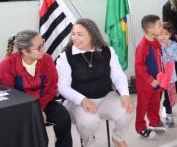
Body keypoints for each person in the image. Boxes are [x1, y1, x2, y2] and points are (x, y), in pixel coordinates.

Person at [56, 18, 134, 147]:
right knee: (89, 121)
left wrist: (125, 94)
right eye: (73, 34)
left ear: (92, 35)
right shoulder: (66, 56)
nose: (75, 38)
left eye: (80, 34)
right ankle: (88, 143)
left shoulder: (107, 51)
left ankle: (118, 138)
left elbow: (118, 75)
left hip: (105, 97)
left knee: (128, 110)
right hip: (77, 102)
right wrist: (82, 99)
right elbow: (62, 87)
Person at [0, 30, 72, 147]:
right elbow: (8, 96)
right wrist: (34, 112)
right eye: (39, 47)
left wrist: (39, 108)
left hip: (44, 102)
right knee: (38, 134)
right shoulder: (7, 64)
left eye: (43, 44)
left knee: (63, 118)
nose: (44, 50)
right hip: (19, 109)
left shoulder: (46, 59)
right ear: (25, 51)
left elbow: (51, 87)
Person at [135, 15, 166, 138]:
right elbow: (139, 66)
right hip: (146, 85)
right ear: (150, 29)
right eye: (159, 25)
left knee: (155, 103)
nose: (161, 26)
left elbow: (160, 60)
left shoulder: (156, 42)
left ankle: (154, 122)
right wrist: (150, 80)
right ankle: (141, 128)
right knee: (142, 107)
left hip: (157, 83)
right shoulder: (143, 46)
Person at [157, 22, 177, 127]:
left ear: (170, 34)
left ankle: (169, 116)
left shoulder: (173, 45)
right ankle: (155, 118)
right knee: (157, 97)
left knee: (169, 98)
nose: (163, 36)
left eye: (166, 34)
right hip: (159, 77)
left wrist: (166, 48)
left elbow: (176, 58)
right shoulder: (156, 45)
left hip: (170, 77)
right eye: (161, 34)